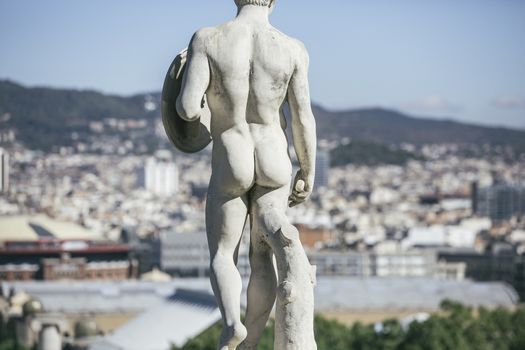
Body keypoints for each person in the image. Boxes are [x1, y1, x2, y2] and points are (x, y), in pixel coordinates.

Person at [176, 0, 317, 348]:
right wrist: (308, 170)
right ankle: (252, 339)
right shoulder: (292, 48)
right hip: (274, 156)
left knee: (224, 255)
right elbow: (302, 118)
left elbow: (187, 107)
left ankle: (232, 325)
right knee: (262, 255)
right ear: (273, 1)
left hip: (232, 156)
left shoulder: (207, 39)